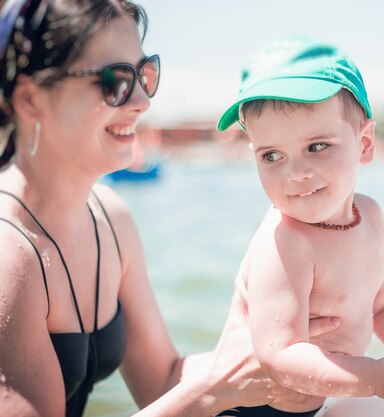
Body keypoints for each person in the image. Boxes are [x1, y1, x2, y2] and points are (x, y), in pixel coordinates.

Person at [0, 2, 340, 416]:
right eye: (115, 80)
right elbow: (194, 395)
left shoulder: (109, 217)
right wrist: (216, 386)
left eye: (144, 74)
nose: (142, 101)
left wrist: (266, 354)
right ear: (31, 99)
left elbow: (161, 379)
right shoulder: (7, 253)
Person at [214, 36, 384, 417]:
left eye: (316, 146)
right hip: (252, 409)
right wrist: (377, 378)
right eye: (272, 155)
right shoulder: (283, 241)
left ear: (364, 143)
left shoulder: (371, 216)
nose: (295, 173)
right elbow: (279, 356)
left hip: (315, 401)